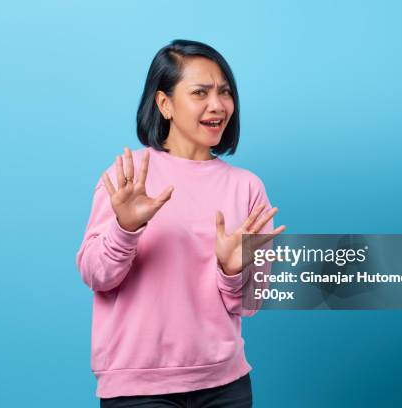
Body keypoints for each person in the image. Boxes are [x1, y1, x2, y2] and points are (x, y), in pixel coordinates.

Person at [76, 39, 286, 407]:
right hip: (138, 388)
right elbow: (97, 276)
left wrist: (232, 269)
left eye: (225, 92)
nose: (217, 105)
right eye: (200, 93)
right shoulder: (129, 178)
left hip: (225, 384)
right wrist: (125, 230)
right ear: (165, 104)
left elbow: (247, 305)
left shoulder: (247, 187)